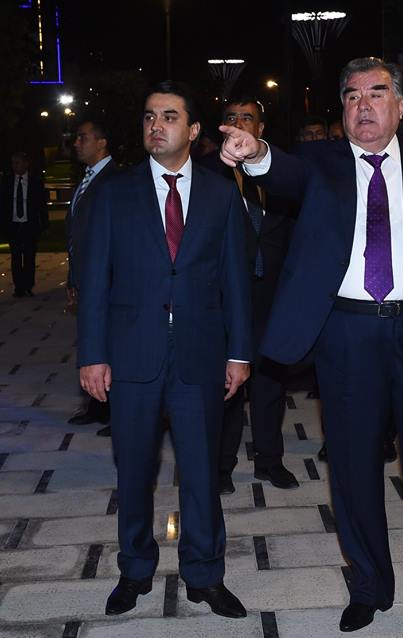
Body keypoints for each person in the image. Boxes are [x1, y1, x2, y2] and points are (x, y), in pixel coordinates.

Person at [219, 57, 403, 638]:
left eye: (377, 93)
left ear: (399, 106)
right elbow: (283, 172)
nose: (364, 105)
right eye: (352, 96)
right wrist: (256, 153)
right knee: (352, 470)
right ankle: (370, 588)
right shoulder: (321, 163)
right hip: (346, 334)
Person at [77, 81, 252, 619]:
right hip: (132, 353)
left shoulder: (222, 193)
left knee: (201, 472)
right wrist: (92, 354)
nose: (157, 126)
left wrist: (240, 353)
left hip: (201, 353)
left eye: (170, 116)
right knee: (134, 470)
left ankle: (205, 575)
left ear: (193, 129)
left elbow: (236, 280)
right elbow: (94, 279)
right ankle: (134, 569)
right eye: (150, 117)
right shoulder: (115, 192)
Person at [217, 96, 300, 493]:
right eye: (231, 117)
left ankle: (270, 461)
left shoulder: (282, 172)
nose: (238, 123)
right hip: (226, 298)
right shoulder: (209, 172)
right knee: (227, 385)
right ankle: (221, 465)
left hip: (274, 296)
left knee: (270, 384)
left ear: (261, 128)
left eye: (247, 118)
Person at [66, 119, 120, 432]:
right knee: (93, 341)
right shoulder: (87, 179)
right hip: (87, 279)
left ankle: (118, 412)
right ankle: (98, 406)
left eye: (82, 137)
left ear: (101, 142)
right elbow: (77, 233)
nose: (76, 143)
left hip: (109, 282)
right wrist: (74, 278)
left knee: (113, 346)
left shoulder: (116, 180)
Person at [1, 152, 47, 297]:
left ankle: (28, 285)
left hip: (29, 225)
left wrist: (43, 224)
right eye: (13, 163)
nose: (15, 166)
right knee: (15, 257)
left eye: (18, 162)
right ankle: (18, 287)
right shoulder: (7, 182)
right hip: (13, 225)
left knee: (29, 257)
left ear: (26, 164)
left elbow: (41, 205)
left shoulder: (35, 182)